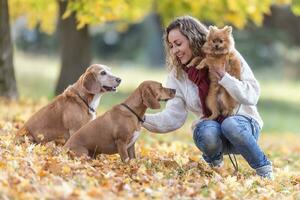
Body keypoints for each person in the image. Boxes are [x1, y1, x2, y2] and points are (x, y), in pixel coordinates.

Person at [142, 16, 273, 179]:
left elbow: (252, 95)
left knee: (230, 124)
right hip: (213, 131)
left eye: (178, 44)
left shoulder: (228, 55)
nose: (174, 50)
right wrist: (141, 118)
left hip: (243, 127)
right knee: (208, 131)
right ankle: (214, 165)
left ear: (193, 39)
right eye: (171, 46)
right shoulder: (177, 75)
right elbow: (173, 117)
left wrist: (224, 76)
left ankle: (264, 169)